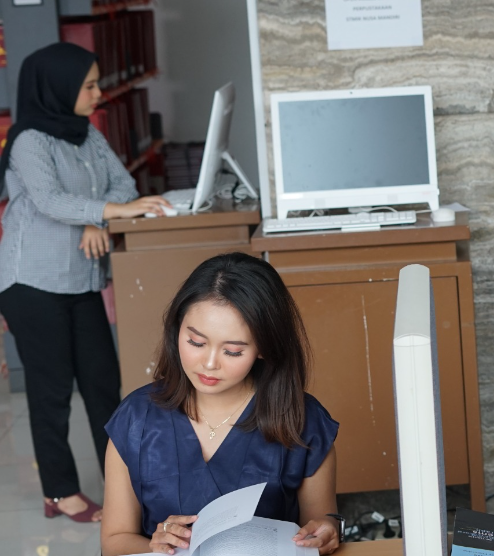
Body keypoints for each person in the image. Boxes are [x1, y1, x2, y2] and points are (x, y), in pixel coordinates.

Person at [0, 42, 173, 522]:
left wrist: (99, 219)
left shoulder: (86, 135)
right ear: (57, 87)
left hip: (78, 281)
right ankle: (60, 492)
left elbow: (124, 187)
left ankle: (123, 489)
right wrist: (101, 212)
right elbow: (51, 200)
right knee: (52, 391)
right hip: (31, 282)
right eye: (89, 85)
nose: (98, 93)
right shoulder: (29, 140)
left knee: (102, 385)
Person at [100, 252, 341, 556]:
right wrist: (155, 545)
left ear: (265, 348)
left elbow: (319, 527)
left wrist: (329, 530)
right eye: (196, 343)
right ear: (177, 330)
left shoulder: (303, 420)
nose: (209, 364)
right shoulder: (136, 419)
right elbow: (114, 541)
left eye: (233, 351)